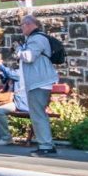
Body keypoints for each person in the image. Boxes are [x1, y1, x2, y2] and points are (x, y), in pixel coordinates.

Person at [16, 15, 59, 156]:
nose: (21, 28)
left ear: (29, 25)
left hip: (38, 83)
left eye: (22, 25)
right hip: (38, 83)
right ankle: (46, 144)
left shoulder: (37, 39)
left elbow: (29, 57)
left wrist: (18, 51)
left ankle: (46, 146)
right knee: (38, 114)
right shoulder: (36, 38)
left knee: (38, 115)